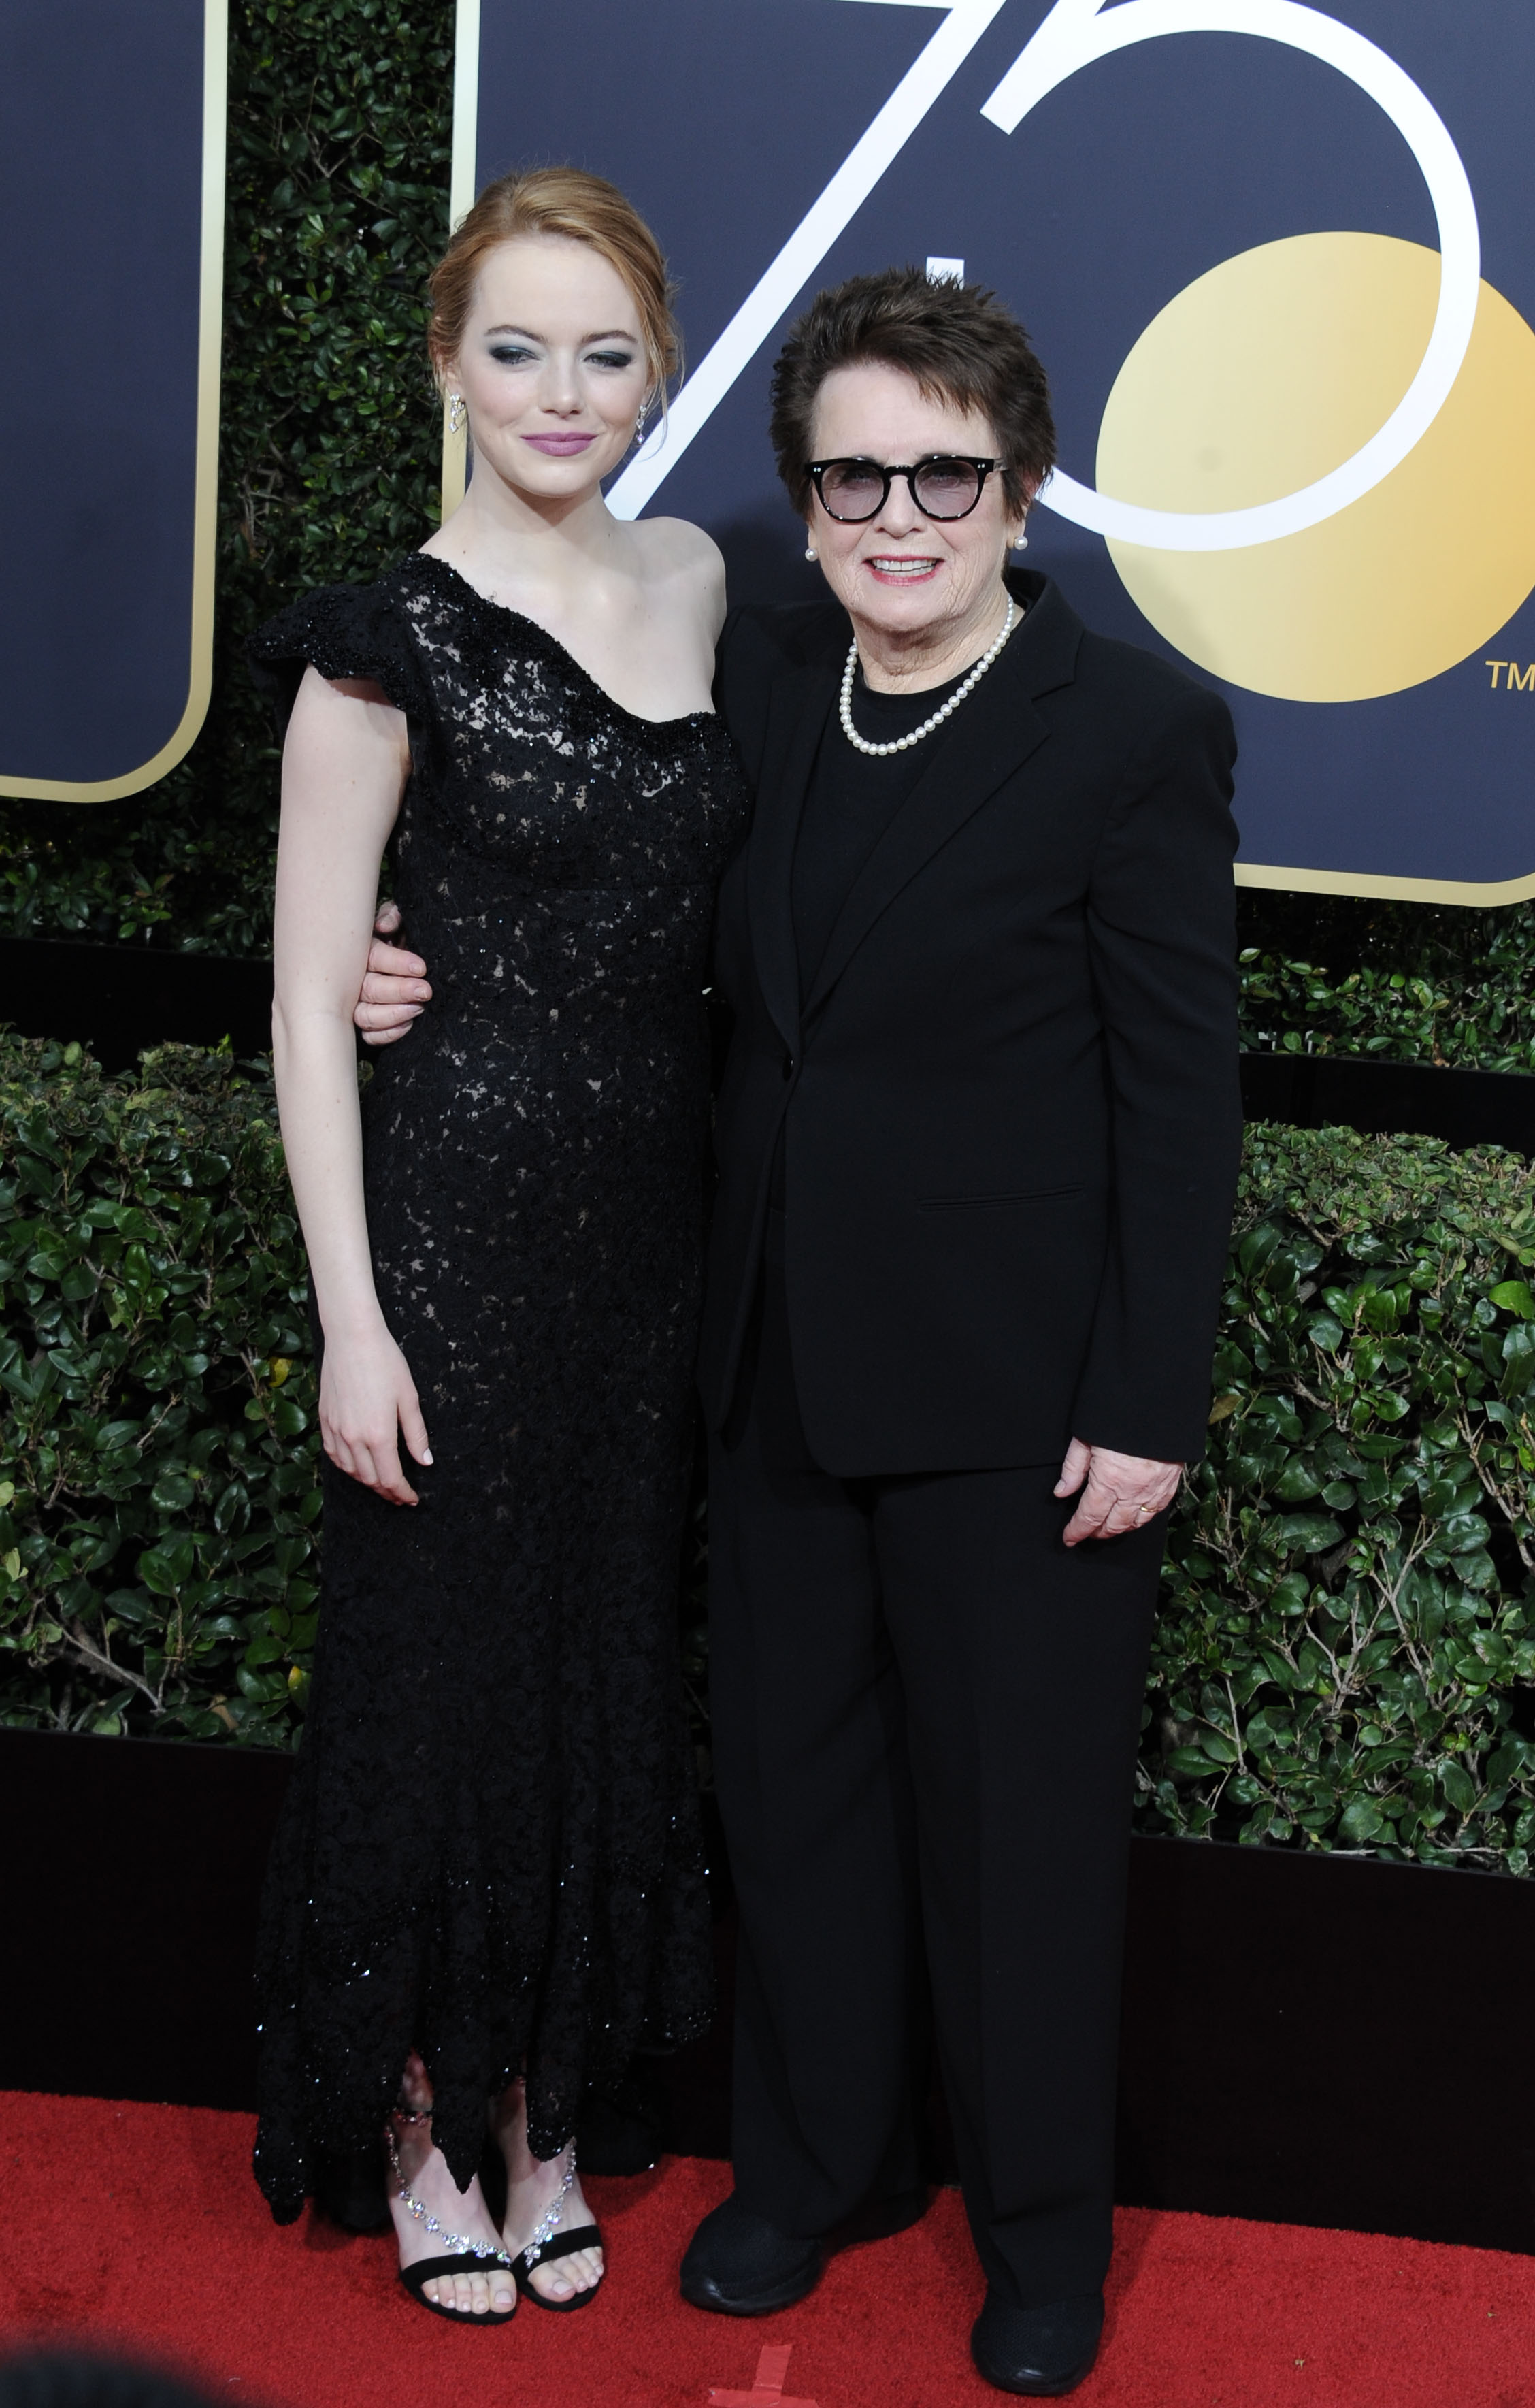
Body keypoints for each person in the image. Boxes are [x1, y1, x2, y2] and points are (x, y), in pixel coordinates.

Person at [359, 265, 1242, 2395]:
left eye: (945, 474)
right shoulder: (761, 685)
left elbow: (1181, 1091)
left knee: (1018, 1847)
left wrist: (1146, 1395)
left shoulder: (1128, 731)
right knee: (798, 1804)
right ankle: (818, 2170)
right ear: (808, 494)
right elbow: (596, 897)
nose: (898, 515)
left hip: (1019, 1398)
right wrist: (406, 966)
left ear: (1021, 486)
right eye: (855, 476)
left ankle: (1038, 2236)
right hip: (765, 1369)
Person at [246, 166, 748, 2323]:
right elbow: (304, 1002)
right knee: (436, 1685)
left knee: (604, 1673)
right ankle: (413, 2122)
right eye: (518, 347)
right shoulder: (384, 639)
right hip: (448, 1236)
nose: (562, 390)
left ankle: (544, 2109)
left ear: (656, 372)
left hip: (651, 1256)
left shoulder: (704, 579)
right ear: (449, 362)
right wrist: (352, 1322)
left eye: (605, 353)